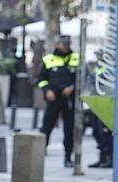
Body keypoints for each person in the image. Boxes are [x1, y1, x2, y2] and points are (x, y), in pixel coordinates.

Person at [37, 35, 79, 167]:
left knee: (69, 129)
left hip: (69, 99)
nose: (65, 46)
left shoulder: (76, 58)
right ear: (57, 44)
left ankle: (68, 157)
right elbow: (41, 79)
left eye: (67, 44)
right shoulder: (48, 59)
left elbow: (82, 78)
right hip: (53, 98)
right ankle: (40, 152)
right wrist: (47, 91)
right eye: (63, 44)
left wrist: (72, 88)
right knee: (46, 127)